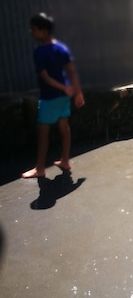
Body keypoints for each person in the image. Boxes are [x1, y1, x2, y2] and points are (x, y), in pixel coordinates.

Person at [22, 12, 85, 179]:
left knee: (43, 131)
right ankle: (65, 160)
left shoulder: (40, 52)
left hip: (50, 97)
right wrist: (76, 92)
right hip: (64, 97)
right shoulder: (62, 48)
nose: (31, 32)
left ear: (43, 31)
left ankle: (40, 168)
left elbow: (44, 77)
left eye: (34, 29)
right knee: (64, 127)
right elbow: (72, 72)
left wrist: (64, 88)